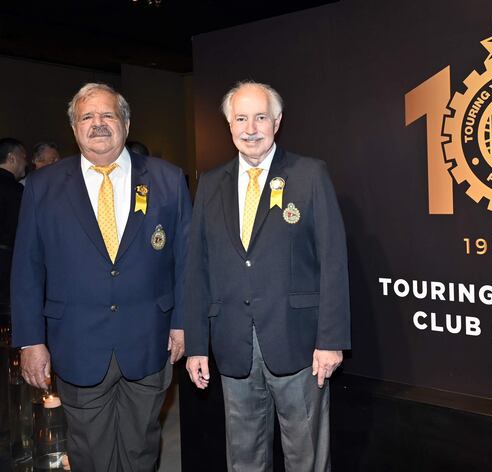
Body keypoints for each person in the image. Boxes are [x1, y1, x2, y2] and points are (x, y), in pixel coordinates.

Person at [11, 83, 191, 472]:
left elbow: (186, 261)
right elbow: (27, 268)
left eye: (107, 115)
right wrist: (30, 341)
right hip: (77, 343)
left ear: (125, 122)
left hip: (150, 339)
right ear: (74, 128)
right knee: (90, 452)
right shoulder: (43, 186)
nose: (98, 124)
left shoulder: (168, 179)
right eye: (87, 117)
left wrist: (182, 323)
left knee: (142, 448)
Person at [184, 81, 350, 471]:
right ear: (229, 125)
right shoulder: (210, 184)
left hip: (299, 344)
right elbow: (197, 269)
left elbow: (333, 261)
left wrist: (331, 340)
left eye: (260, 117)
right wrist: (195, 344)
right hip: (232, 343)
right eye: (240, 118)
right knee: (243, 455)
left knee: (305, 455)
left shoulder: (310, 175)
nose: (250, 128)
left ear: (277, 121)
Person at [0, 138, 26, 304]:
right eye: (23, 157)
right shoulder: (16, 190)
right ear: (12, 158)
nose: (26, 162)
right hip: (6, 262)